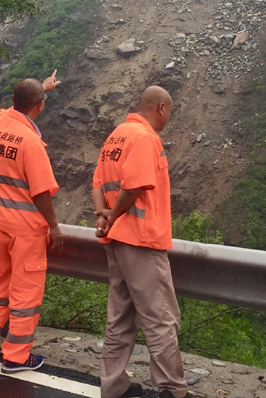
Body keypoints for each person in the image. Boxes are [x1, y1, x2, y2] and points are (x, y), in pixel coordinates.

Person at [92, 86, 187, 398]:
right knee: (161, 319)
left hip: (116, 241)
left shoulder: (116, 136)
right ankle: (172, 389)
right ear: (161, 107)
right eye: (168, 112)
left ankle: (113, 386)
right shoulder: (146, 138)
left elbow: (96, 184)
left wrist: (103, 217)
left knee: (119, 317)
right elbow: (134, 187)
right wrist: (116, 216)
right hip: (141, 241)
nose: (167, 119)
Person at [0, 70, 64, 373]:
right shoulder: (32, 144)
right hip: (26, 231)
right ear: (40, 106)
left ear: (13, 100)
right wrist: (54, 225)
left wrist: (40, 88)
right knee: (25, 295)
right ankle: (17, 356)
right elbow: (40, 194)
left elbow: (21, 102)